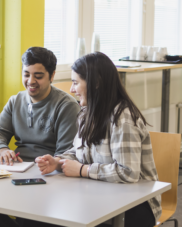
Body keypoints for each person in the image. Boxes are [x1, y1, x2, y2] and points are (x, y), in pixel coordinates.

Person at [35, 52, 161, 227]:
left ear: (96, 83)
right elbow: (78, 151)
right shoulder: (87, 113)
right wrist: (58, 162)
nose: (71, 90)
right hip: (100, 196)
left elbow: (128, 172)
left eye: (75, 82)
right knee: (42, 217)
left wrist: (82, 170)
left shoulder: (122, 118)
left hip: (135, 205)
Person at [0, 47, 80, 227]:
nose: (31, 81)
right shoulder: (16, 101)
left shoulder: (66, 106)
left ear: (52, 75)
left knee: (31, 217)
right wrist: (3, 149)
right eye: (26, 74)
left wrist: (52, 162)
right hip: (17, 173)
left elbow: (66, 154)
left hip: (49, 177)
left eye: (38, 76)